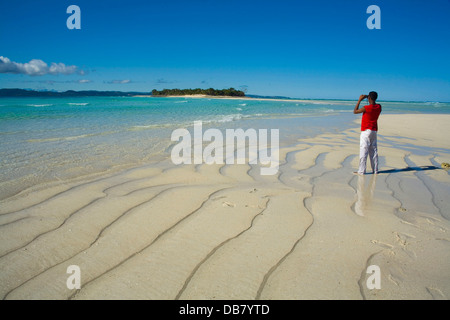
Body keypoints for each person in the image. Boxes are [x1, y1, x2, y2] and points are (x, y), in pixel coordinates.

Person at [353, 91, 382, 175]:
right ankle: (375, 170)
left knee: (364, 150)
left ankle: (361, 171)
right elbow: (374, 106)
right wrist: (368, 98)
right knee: (374, 151)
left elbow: (355, 111)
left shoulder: (366, 108)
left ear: (369, 98)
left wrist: (359, 100)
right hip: (374, 131)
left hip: (366, 131)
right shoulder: (379, 107)